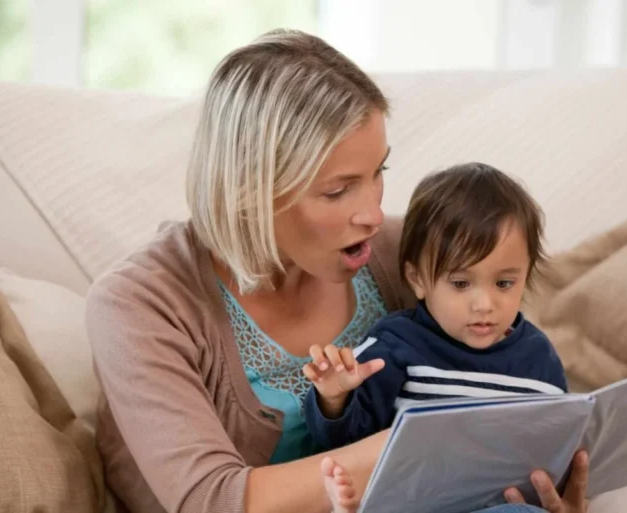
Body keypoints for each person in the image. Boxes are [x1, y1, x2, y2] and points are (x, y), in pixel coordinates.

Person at [85, 28, 589, 513]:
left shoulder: (403, 253)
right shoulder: (139, 303)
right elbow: (210, 500)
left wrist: (538, 479)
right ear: (248, 190)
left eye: (378, 174)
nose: (371, 213)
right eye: (337, 189)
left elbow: (509, 335)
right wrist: (441, 438)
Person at [302, 163, 568, 512]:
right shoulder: (396, 344)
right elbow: (346, 442)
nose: (485, 305)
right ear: (417, 279)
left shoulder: (540, 359)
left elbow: (559, 451)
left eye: (504, 283)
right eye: (460, 284)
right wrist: (334, 398)